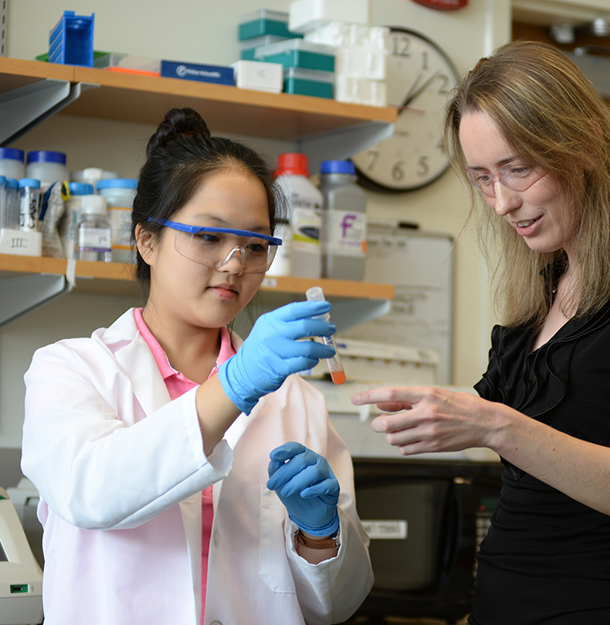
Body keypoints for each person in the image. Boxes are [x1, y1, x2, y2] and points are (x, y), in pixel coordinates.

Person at [351, 40, 610, 625]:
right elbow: (489, 428)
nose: (501, 202)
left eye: (517, 169)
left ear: (583, 144)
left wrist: (495, 425)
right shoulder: (545, 285)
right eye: (481, 178)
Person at [21, 108, 373, 625]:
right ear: (147, 239)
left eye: (255, 245)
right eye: (209, 237)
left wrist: (320, 535)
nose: (234, 263)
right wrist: (234, 384)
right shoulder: (71, 369)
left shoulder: (296, 400)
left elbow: (337, 605)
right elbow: (91, 492)